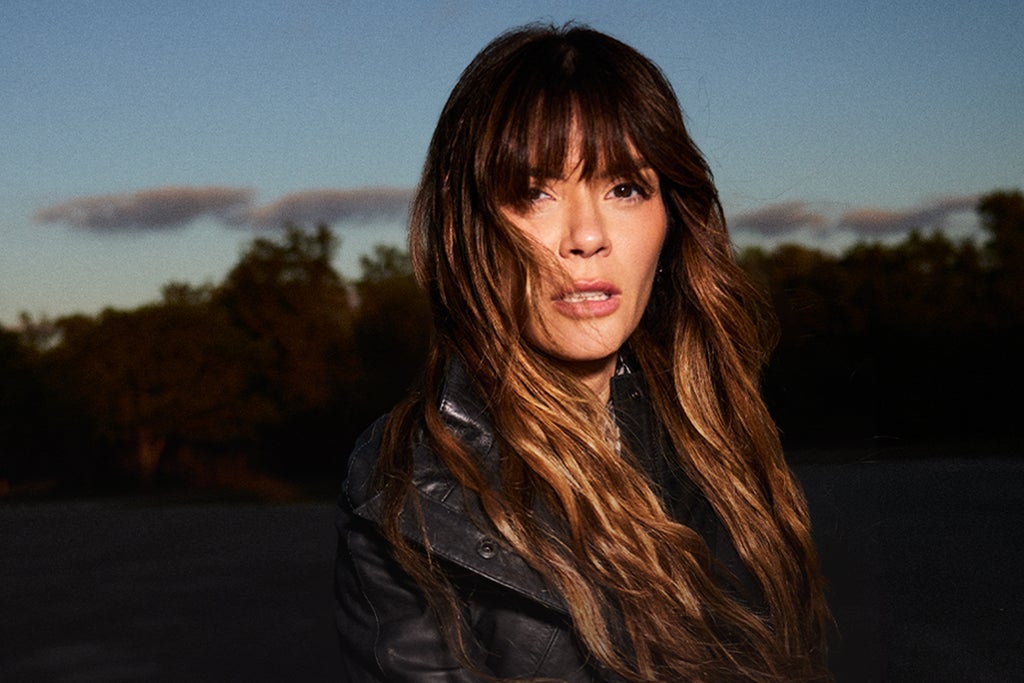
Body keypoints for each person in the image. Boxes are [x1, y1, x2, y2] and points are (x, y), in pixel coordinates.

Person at [335, 23, 831, 682]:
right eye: (534, 192)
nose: (588, 235)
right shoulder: (410, 484)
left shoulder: (717, 435)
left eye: (624, 188)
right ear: (470, 227)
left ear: (671, 216)